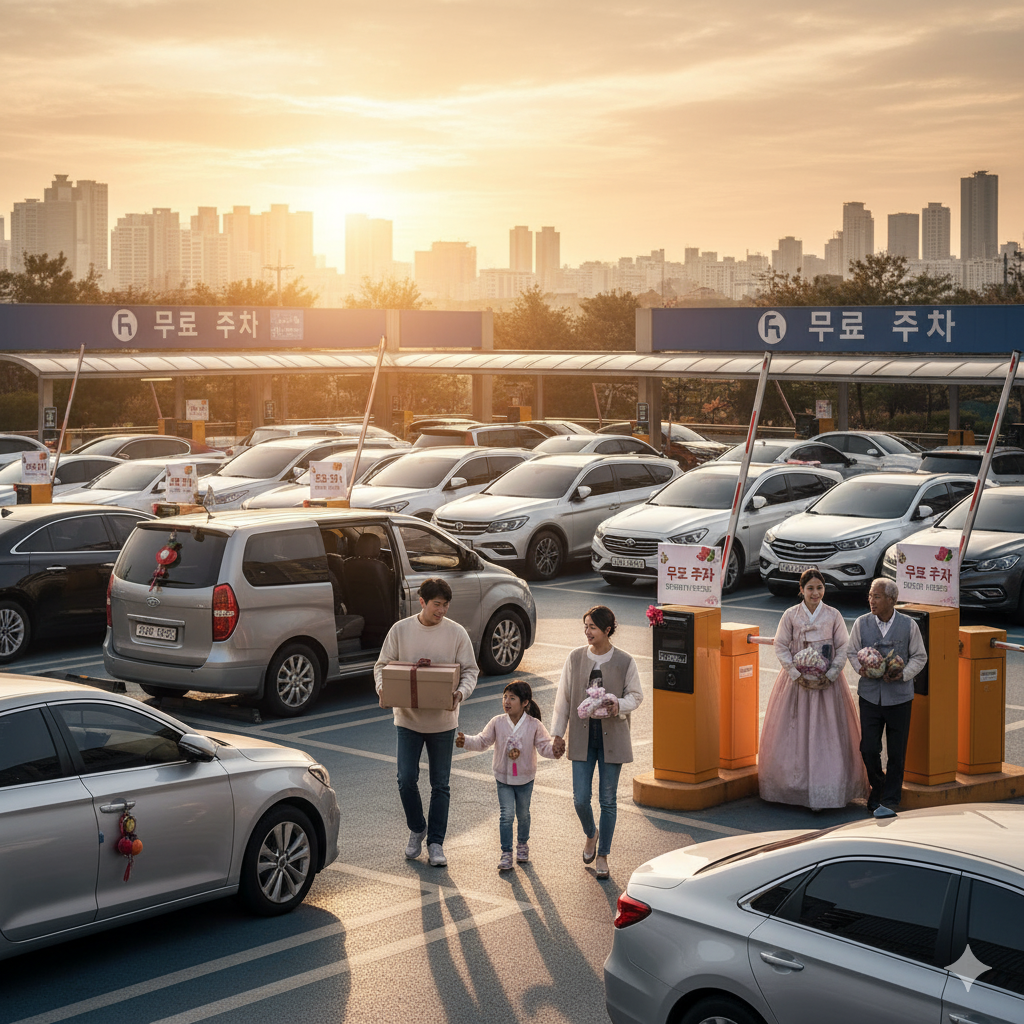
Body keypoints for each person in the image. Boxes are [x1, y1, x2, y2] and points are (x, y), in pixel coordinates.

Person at [374, 577, 479, 866]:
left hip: (444, 723)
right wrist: (382, 688)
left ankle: (435, 843)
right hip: (407, 720)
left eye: (446, 605)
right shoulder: (400, 630)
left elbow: (471, 671)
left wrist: (460, 692)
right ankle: (416, 827)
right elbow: (382, 666)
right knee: (405, 779)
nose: (442, 611)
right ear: (421, 601)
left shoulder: (456, 633)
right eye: (436, 605)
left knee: (440, 784)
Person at [759, 569, 867, 810]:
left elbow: (843, 647)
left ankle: (827, 790)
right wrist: (796, 674)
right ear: (802, 590)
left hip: (827, 685)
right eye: (810, 588)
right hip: (796, 684)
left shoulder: (833, 615)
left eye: (819, 588)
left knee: (827, 734)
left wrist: (830, 674)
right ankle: (792, 788)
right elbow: (780, 646)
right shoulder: (790, 615)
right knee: (793, 733)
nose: (815, 593)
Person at [551, 605, 643, 881]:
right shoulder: (575, 657)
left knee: (608, 800)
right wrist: (557, 734)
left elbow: (636, 696)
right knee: (580, 799)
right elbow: (563, 698)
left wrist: (618, 704)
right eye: (585, 626)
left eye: (592, 627)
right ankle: (591, 833)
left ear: (607, 630)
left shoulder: (625, 661)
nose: (587, 632)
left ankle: (603, 854)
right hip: (581, 736)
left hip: (611, 738)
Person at [456, 680, 560, 871]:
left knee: (523, 814)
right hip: (503, 777)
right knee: (506, 815)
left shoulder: (534, 725)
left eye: (512, 698)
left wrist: (556, 750)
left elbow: (545, 747)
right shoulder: (497, 722)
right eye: (505, 697)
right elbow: (483, 740)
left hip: (525, 778)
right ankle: (506, 853)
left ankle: (522, 844)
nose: (507, 701)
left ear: (525, 702)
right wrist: (466, 741)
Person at [847, 577, 927, 818]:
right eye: (870, 596)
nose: (871, 600)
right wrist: (859, 668)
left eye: (877, 596)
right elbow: (851, 652)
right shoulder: (861, 623)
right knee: (868, 748)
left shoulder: (909, 625)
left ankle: (890, 800)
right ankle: (877, 785)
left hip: (900, 698)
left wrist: (903, 674)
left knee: (896, 752)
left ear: (892, 600)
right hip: (870, 696)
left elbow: (920, 657)